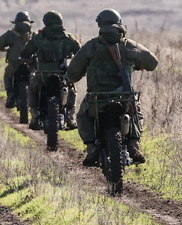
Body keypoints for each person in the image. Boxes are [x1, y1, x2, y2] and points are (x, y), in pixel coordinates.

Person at [66, 8, 158, 166]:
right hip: (124, 99)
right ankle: (134, 145)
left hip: (97, 101)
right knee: (137, 113)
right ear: (120, 24)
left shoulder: (91, 46)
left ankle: (91, 147)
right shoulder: (128, 45)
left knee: (82, 116)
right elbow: (152, 63)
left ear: (100, 25)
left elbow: (72, 74)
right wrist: (135, 62)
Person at [19, 10, 82, 130]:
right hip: (62, 74)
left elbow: (25, 52)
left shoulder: (38, 38)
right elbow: (80, 52)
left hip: (42, 74)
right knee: (72, 90)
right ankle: (70, 117)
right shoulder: (67, 37)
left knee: (32, 88)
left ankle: (34, 115)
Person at [0, 11, 34, 108]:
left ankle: (10, 94)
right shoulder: (34, 35)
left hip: (14, 64)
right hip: (30, 63)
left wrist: (4, 48)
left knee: (7, 75)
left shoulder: (10, 34)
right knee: (35, 78)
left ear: (15, 23)